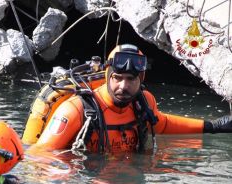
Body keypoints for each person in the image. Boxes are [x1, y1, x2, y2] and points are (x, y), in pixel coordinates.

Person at [31, 44, 232, 153]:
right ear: (108, 76)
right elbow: (41, 158)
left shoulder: (143, 102)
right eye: (117, 78)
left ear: (141, 79)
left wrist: (213, 127)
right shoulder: (76, 110)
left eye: (131, 79)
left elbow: (162, 124)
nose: (124, 86)